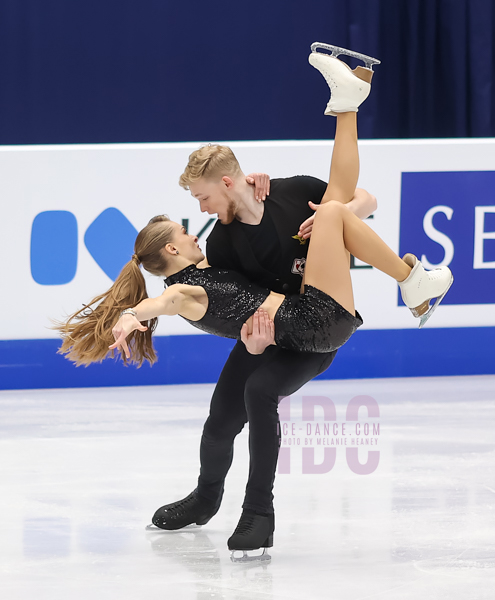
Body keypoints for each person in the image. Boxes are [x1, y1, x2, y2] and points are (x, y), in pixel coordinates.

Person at [56, 44, 453, 561]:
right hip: (274, 328)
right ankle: (205, 499)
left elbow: (364, 200)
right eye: (191, 212)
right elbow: (210, 299)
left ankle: (258, 514)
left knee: (331, 210)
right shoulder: (219, 246)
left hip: (313, 322)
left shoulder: (287, 193)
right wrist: (242, 324)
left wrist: (334, 222)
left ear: (227, 182)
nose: (199, 211)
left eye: (201, 198)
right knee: (222, 416)